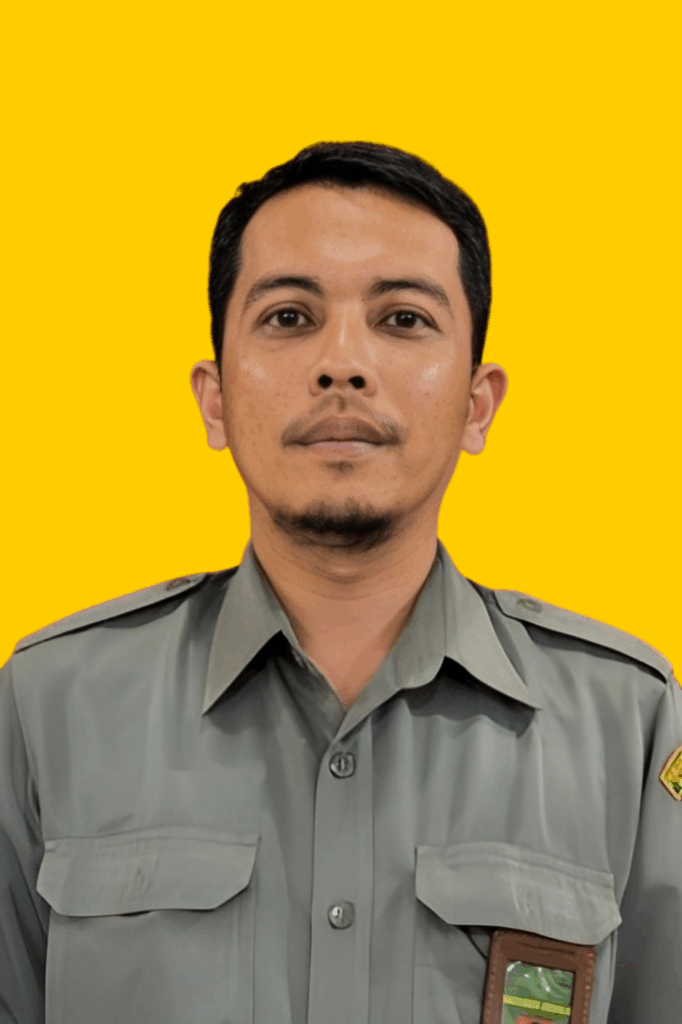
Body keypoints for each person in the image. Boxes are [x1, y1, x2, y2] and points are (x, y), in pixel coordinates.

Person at [1, 141, 679, 1024]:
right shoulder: (48, 706)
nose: (343, 364)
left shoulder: (629, 724)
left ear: (477, 403)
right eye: (289, 316)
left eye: (403, 318)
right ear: (214, 397)